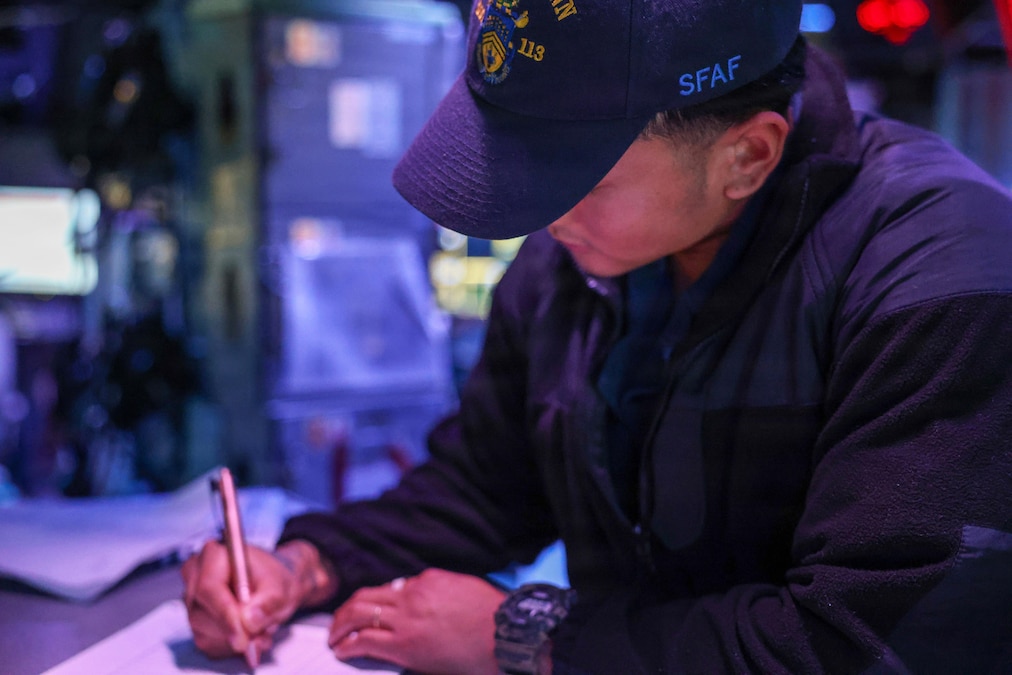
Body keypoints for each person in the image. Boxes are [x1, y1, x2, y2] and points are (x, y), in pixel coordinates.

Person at [182, 1, 1012, 673]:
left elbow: (873, 645)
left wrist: (534, 639)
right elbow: (483, 489)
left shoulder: (941, 273)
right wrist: (303, 565)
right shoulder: (570, 263)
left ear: (748, 156)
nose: (540, 216)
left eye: (577, 178)